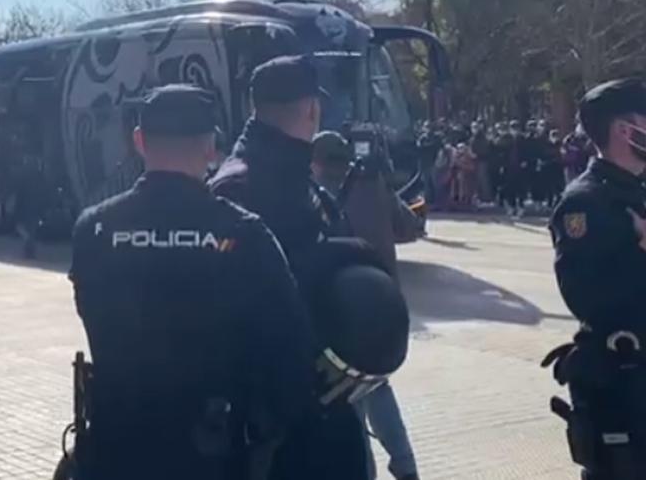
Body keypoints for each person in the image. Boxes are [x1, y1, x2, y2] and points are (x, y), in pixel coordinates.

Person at [70, 84, 316, 479]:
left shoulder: (92, 230)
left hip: (113, 457)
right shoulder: (246, 235)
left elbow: (93, 313)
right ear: (211, 148)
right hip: (212, 459)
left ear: (139, 142)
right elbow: (292, 361)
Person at [208, 55, 387, 480]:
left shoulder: (275, 178)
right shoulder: (245, 185)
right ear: (312, 110)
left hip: (314, 405)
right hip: (275, 424)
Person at [544, 79, 646, 479]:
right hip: (625, 382)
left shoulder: (636, 191)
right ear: (626, 130)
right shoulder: (586, 203)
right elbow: (591, 298)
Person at [310, 132, 421, 480]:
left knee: (351, 404)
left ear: (315, 162)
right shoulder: (372, 183)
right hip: (386, 307)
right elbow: (409, 226)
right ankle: (406, 467)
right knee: (378, 388)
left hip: (347, 317)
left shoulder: (316, 199)